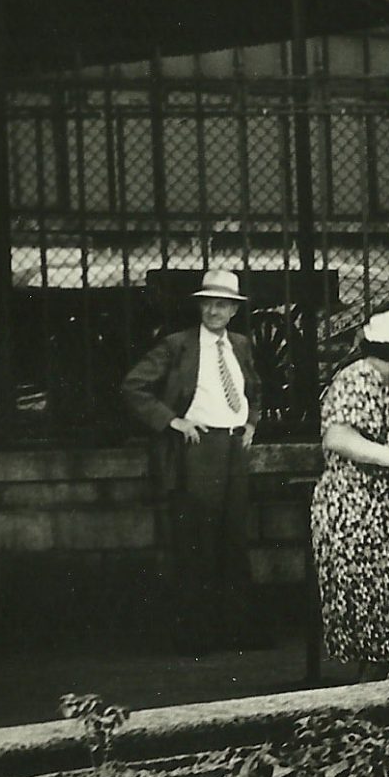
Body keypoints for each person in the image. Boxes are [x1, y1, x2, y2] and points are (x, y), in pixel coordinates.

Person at [119, 267, 263, 650]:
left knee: (233, 539)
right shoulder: (177, 345)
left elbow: (254, 389)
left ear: (234, 311)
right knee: (198, 540)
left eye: (223, 305)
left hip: (235, 449)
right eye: (208, 304)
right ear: (199, 307)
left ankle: (238, 630)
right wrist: (173, 421)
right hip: (200, 450)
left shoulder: (242, 345)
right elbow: (134, 387)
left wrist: (251, 422)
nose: (214, 312)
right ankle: (196, 635)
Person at [310, 304, 389, 678]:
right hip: (359, 510)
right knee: (374, 606)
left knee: (387, 607)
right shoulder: (357, 379)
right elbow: (339, 437)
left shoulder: (386, 384)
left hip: (383, 509)